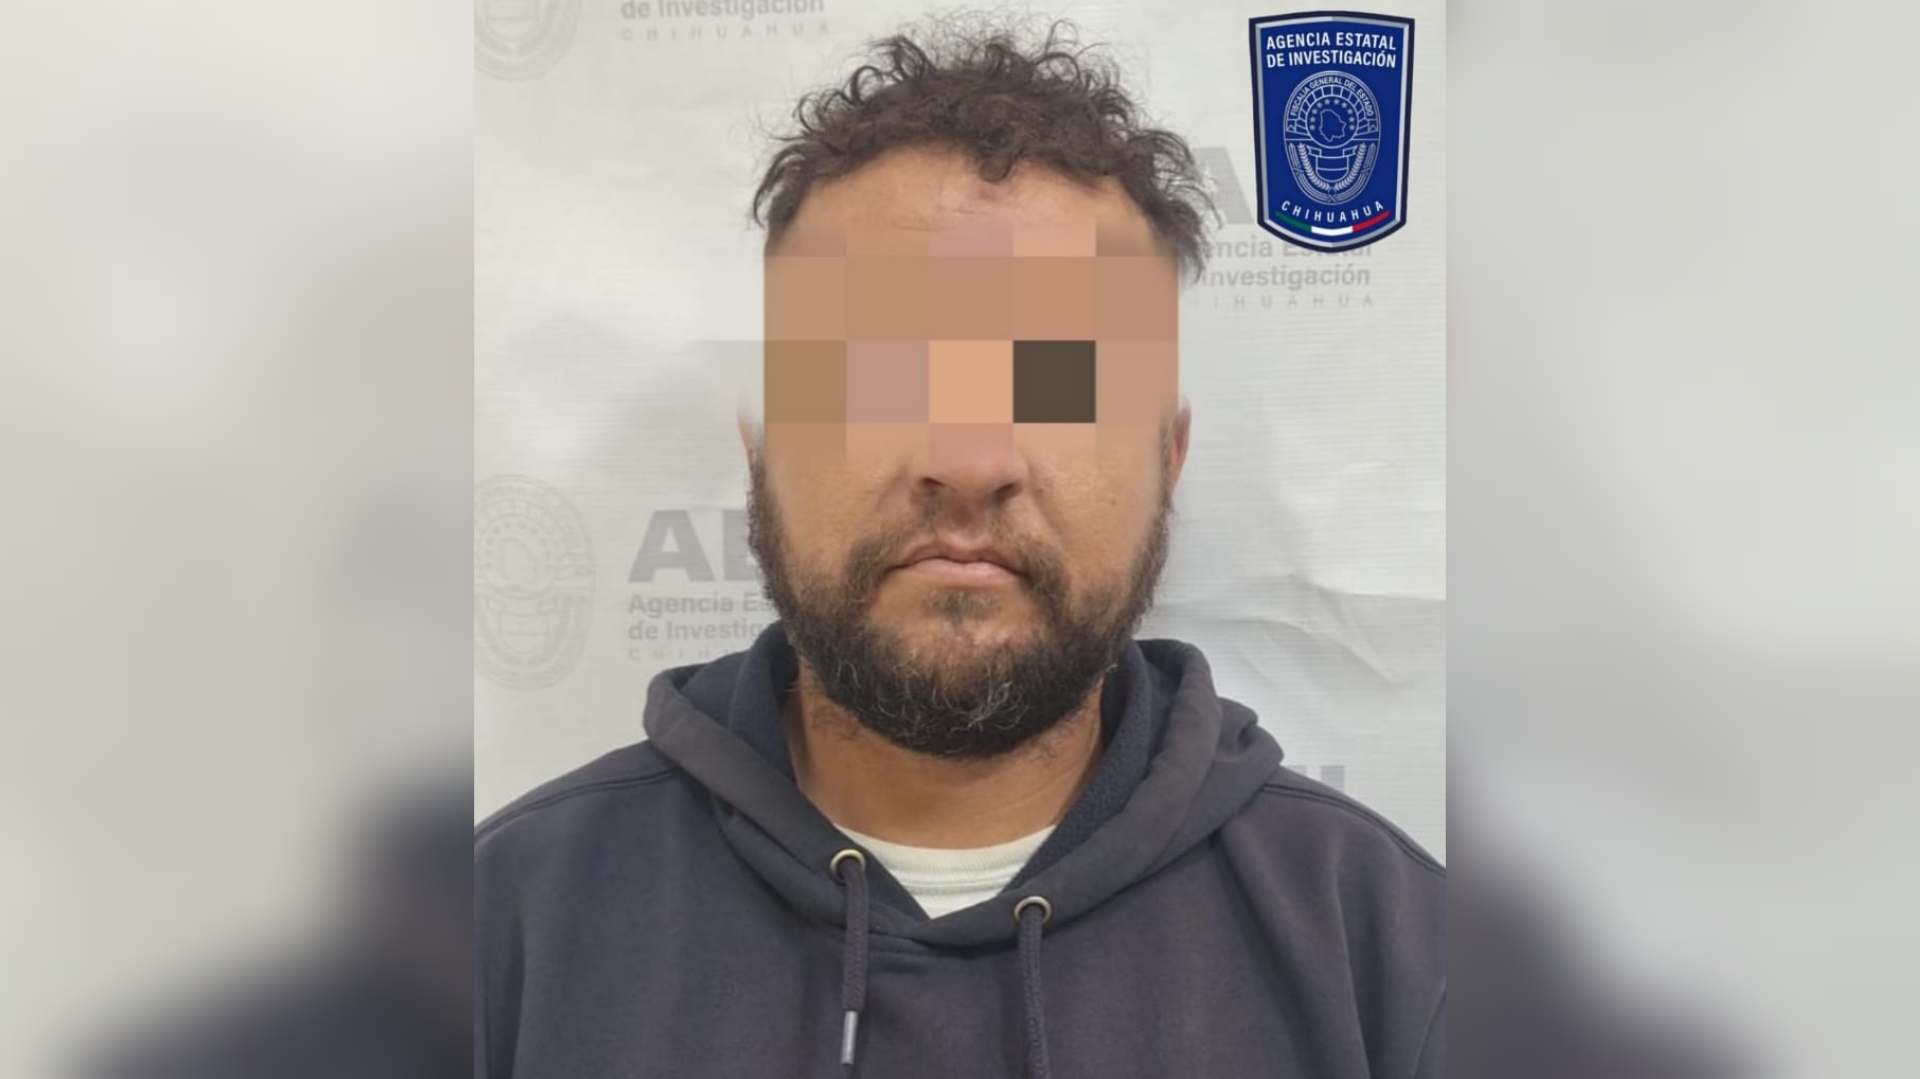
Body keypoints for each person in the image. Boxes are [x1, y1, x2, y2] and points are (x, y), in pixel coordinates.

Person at [475, 20, 1443, 1078]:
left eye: (1063, 377)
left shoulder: (1397, 954)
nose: (970, 458)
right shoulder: (495, 933)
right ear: (762, 438)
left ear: (1167, 455)